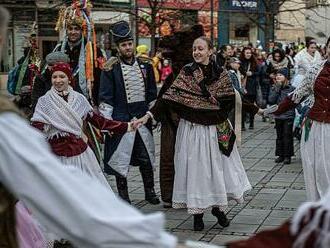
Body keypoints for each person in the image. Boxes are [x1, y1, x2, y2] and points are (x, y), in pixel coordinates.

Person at [139, 37, 262, 231]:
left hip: (216, 129)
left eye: (201, 49)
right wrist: (148, 115)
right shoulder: (186, 74)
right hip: (193, 130)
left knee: (217, 171)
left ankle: (218, 209)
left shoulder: (221, 74)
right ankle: (197, 213)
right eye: (194, 49)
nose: (197, 52)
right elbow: (167, 98)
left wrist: (258, 110)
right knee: (197, 172)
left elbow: (234, 99)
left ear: (210, 51)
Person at [31, 62, 135, 186]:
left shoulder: (79, 99)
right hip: (56, 154)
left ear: (69, 79)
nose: (58, 80)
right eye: (54, 77)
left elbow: (99, 121)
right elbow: (36, 129)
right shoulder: (44, 101)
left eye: (62, 76)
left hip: (80, 153)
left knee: (86, 189)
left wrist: (127, 126)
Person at [98, 20, 159, 205]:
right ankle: (123, 196)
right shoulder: (110, 69)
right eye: (124, 45)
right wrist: (107, 123)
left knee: (146, 157)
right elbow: (105, 97)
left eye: (130, 44)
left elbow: (151, 93)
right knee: (120, 159)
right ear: (118, 47)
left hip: (141, 119)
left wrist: (152, 115)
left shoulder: (146, 66)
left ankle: (150, 191)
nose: (128, 48)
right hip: (121, 121)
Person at [267, 36, 330, 201]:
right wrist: (273, 110)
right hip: (315, 127)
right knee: (315, 169)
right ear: (326, 49)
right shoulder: (316, 69)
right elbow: (297, 95)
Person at [54, 1, 105, 106]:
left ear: (82, 31)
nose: (73, 32)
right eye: (70, 29)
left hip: (85, 100)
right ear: (66, 30)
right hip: (61, 100)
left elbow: (100, 80)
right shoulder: (58, 49)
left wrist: (97, 103)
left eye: (77, 29)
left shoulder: (93, 50)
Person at [268, 68, 295, 164]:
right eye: (277, 75)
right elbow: (271, 100)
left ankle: (288, 156)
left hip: (288, 116)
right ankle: (280, 155)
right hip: (278, 116)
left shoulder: (292, 89)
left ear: (286, 77)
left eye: (281, 75)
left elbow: (294, 102)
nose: (278, 76)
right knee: (279, 136)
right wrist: (277, 89)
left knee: (287, 136)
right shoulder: (274, 87)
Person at [239, 46, 259, 130]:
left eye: (250, 53)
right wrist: (242, 74)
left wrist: (252, 73)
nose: (248, 54)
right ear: (243, 53)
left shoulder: (254, 62)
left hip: (252, 86)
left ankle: (251, 123)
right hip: (243, 86)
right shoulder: (240, 62)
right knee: (243, 106)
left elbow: (258, 72)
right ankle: (242, 124)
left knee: (251, 105)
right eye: (247, 53)